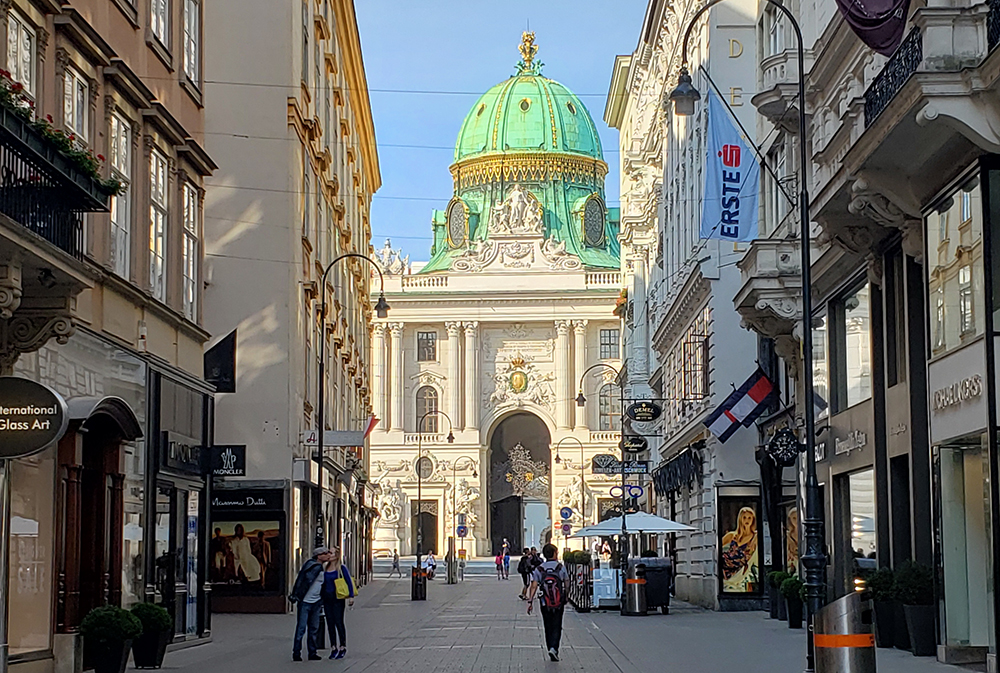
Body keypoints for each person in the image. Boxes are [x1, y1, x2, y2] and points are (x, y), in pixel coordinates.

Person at [526, 543, 569, 662]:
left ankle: (550, 646)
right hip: (558, 600)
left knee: (547, 625)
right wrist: (566, 596)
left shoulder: (539, 569)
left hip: (545, 601)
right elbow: (566, 582)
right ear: (554, 553)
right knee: (557, 625)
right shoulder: (560, 567)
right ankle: (554, 648)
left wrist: (530, 601)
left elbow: (533, 586)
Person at [289, 547, 331, 661]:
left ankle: (312, 652)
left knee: (314, 628)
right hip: (305, 602)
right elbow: (301, 581)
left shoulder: (324, 568)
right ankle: (296, 652)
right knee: (301, 628)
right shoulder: (312, 566)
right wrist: (296, 595)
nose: (328, 555)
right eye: (325, 553)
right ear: (319, 556)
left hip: (316, 602)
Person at [322, 546, 355, 660]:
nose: (328, 555)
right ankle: (333, 647)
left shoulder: (341, 568)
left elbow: (348, 581)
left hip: (338, 599)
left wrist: (351, 596)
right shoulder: (325, 567)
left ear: (336, 556)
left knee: (338, 622)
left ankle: (342, 646)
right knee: (330, 623)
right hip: (327, 599)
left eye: (330, 553)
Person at [721, 506, 758, 592]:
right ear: (740, 519)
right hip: (725, 573)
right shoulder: (731, 536)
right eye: (744, 518)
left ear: (753, 519)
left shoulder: (755, 537)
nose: (747, 520)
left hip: (740, 575)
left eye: (749, 518)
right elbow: (715, 547)